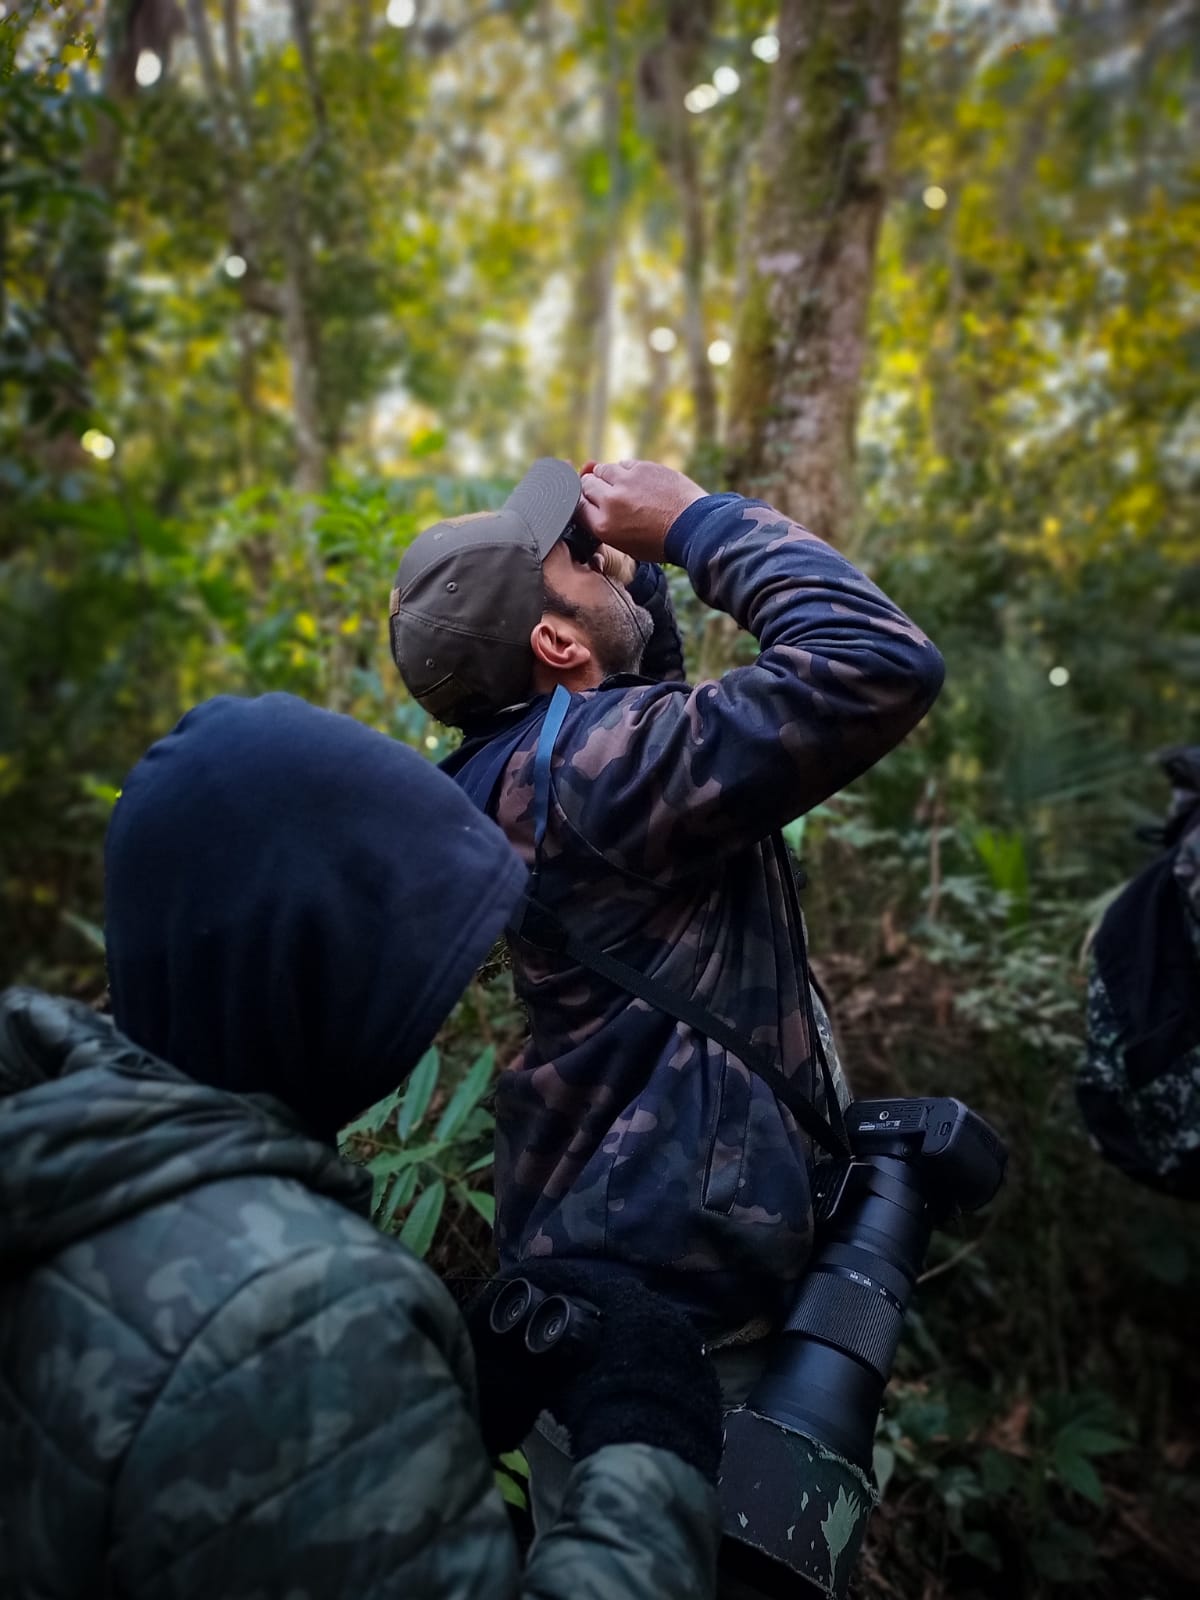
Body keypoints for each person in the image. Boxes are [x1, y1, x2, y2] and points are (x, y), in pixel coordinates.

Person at [0, 693, 722, 1599]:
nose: (453, 1007)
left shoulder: (50, 1129)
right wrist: (650, 1442)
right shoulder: (296, 1319)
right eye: (424, 972)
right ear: (320, 977)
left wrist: (419, 1406)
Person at [387, 460, 944, 1399]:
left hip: (613, 1252)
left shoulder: (536, 764)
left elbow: (647, 696)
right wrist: (696, 523)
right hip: (676, 1313)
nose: (597, 561)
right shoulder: (603, 766)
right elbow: (877, 659)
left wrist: (633, 585)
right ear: (556, 643)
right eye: (575, 564)